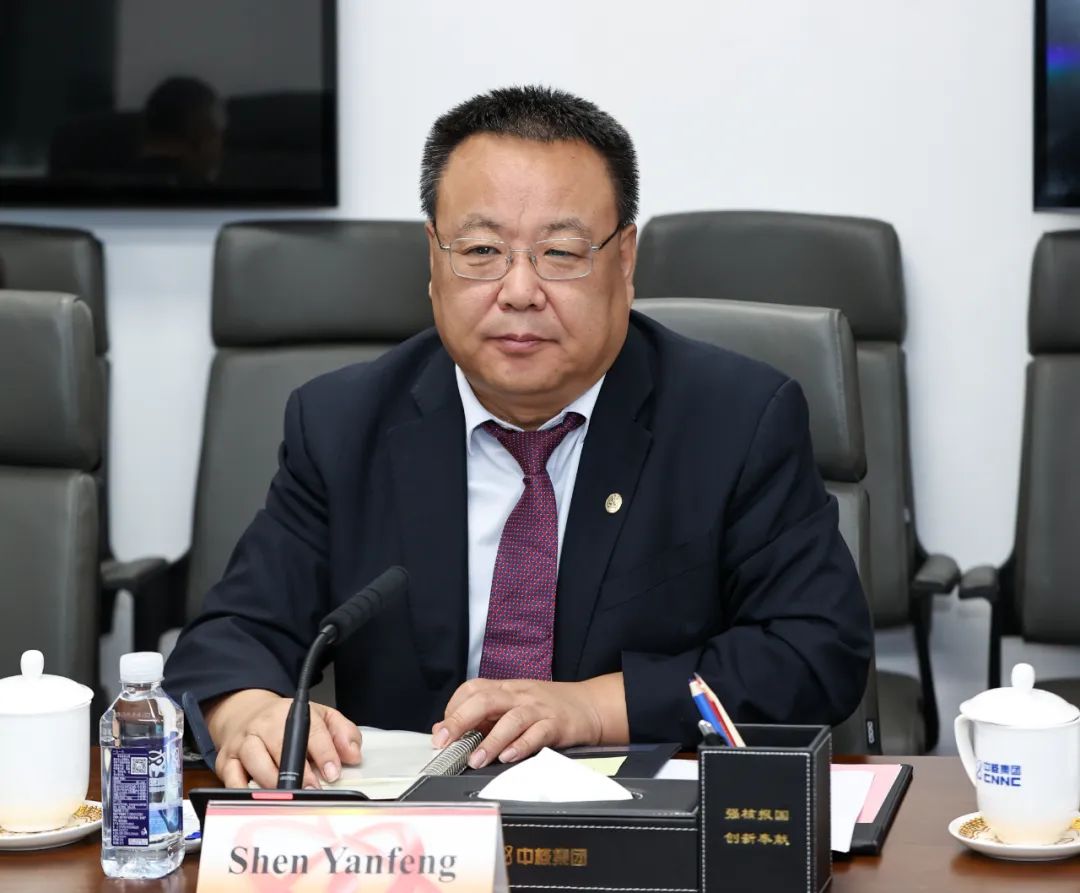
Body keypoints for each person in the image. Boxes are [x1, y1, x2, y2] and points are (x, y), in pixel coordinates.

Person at [164, 85, 871, 789]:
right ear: (433, 260)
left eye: (560, 252)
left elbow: (815, 652)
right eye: (481, 250)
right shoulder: (343, 423)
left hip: (639, 813)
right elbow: (228, 638)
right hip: (414, 832)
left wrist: (594, 708)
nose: (520, 290)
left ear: (625, 261)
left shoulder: (735, 420)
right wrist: (249, 712)